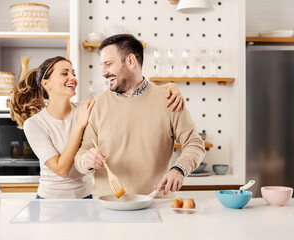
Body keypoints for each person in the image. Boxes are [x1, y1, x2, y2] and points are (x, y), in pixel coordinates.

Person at [7, 56, 185, 199]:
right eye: (64, 73)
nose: (73, 78)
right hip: (50, 201)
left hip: (86, 198)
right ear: (46, 84)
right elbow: (61, 169)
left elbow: (126, 93)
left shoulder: (88, 107)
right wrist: (80, 124)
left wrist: (168, 87)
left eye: (73, 73)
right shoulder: (35, 124)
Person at [74, 34, 206, 198]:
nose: (103, 73)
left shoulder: (169, 100)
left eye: (108, 64)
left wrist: (179, 169)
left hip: (155, 203)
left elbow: (195, 143)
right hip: (106, 205)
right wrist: (86, 161)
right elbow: (81, 154)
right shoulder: (97, 104)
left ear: (130, 61)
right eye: (102, 65)